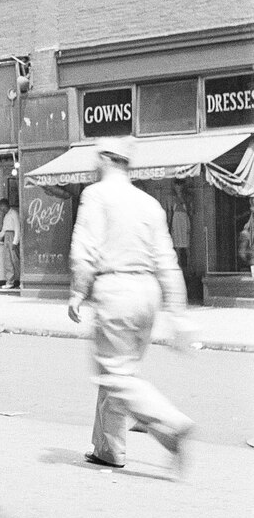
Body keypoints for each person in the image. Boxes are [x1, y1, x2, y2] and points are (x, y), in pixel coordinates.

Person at [68, 137, 194, 473]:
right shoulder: (149, 203)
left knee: (115, 374)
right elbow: (168, 262)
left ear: (108, 159)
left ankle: (171, 424)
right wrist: (178, 314)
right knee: (122, 370)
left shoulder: (96, 195)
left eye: (97, 158)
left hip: (115, 288)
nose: (95, 164)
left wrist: (78, 292)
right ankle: (109, 448)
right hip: (147, 292)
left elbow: (85, 249)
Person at [0, 197, 21, 288]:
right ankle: (9, 282)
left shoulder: (14, 213)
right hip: (7, 238)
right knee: (8, 261)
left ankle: (21, 281)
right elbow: (3, 232)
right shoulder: (6, 216)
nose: (1, 209)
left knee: (15, 261)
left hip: (12, 237)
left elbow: (17, 228)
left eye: (1, 207)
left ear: (4, 205)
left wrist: (15, 242)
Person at [168, 181, 191, 271]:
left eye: (180, 187)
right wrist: (169, 226)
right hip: (176, 221)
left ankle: (189, 265)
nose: (178, 188)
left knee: (187, 245)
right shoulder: (172, 198)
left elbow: (191, 211)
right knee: (177, 244)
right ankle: (179, 265)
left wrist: (184, 202)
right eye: (177, 187)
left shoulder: (187, 198)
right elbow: (170, 212)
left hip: (184, 220)